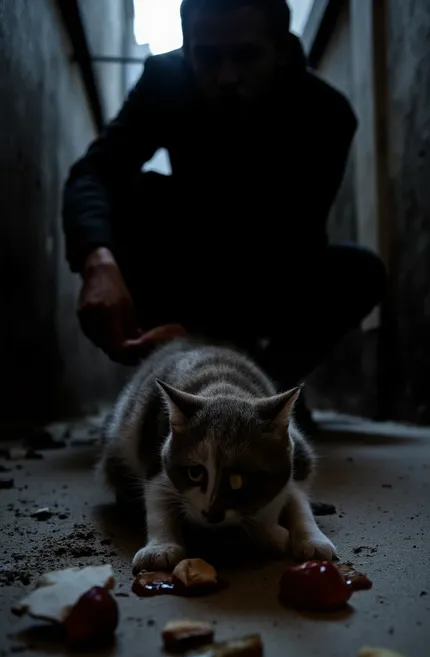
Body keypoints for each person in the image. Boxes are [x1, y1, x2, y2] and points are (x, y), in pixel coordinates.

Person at [63, 0, 386, 429]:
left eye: (247, 55)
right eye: (209, 57)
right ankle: (201, 378)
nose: (227, 76)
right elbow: (94, 172)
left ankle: (262, 388)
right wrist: (97, 262)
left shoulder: (326, 116)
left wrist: (206, 342)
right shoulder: (166, 80)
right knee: (135, 198)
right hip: (189, 261)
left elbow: (292, 246)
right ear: (188, 49)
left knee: (360, 272)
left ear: (281, 50)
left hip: (273, 271)